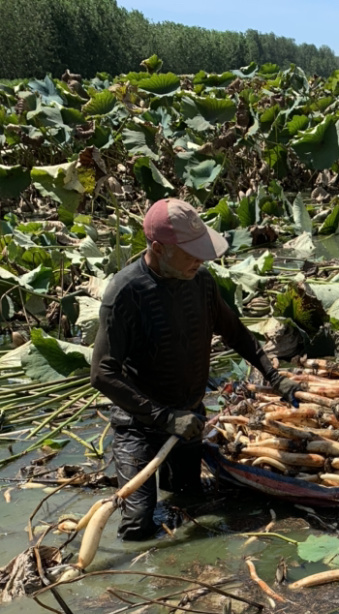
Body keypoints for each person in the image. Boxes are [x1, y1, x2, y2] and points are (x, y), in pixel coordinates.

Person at [91, 198, 295, 540]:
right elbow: (102, 374)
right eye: (190, 252)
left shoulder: (201, 282)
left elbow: (235, 332)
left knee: (190, 500)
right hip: (139, 425)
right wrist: (163, 417)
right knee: (137, 526)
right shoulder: (126, 293)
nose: (200, 259)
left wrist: (276, 378)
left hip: (189, 419)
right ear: (159, 248)